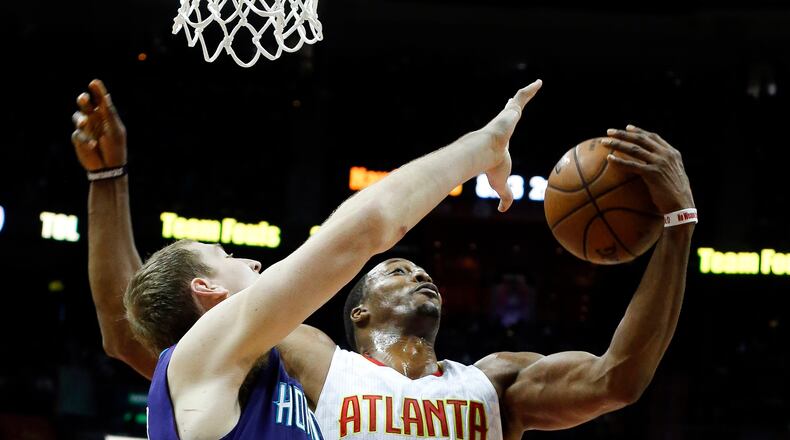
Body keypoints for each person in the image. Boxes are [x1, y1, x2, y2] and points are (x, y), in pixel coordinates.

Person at [71, 78, 542, 439]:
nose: (254, 264)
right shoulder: (199, 358)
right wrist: (483, 146)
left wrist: (108, 177)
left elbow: (125, 331)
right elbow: (367, 226)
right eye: (227, 255)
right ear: (207, 289)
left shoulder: (257, 373)